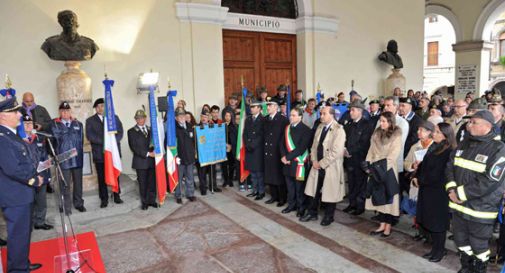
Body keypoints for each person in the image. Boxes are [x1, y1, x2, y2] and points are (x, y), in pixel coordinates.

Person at [446, 110, 505, 273]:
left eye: (473, 122)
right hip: (458, 207)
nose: (468, 124)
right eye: (469, 121)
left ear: (487, 126)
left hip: (481, 209)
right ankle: (466, 266)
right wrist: (451, 189)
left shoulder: (498, 149)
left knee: (479, 245)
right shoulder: (464, 143)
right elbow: (450, 167)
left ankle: (479, 269)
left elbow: (490, 181)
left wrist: (460, 194)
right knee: (460, 240)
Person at [0, 97, 43, 272]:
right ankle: (17, 269)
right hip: (14, 195)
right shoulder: (2, 138)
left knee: (23, 234)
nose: (20, 114)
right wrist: (33, 180)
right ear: (2, 116)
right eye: (15, 112)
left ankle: (21, 264)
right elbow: (12, 168)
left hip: (21, 193)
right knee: (18, 235)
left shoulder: (11, 135)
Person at [413, 122, 456, 263]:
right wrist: (417, 175)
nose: (433, 134)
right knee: (431, 221)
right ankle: (435, 249)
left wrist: (422, 180)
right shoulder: (434, 146)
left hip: (438, 191)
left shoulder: (449, 151)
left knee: (438, 223)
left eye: (437, 132)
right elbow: (425, 164)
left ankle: (440, 250)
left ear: (445, 135)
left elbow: (438, 173)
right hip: (428, 189)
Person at [301, 106, 346, 226]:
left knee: (330, 192)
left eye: (324, 114)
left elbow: (336, 152)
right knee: (314, 190)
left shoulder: (339, 129)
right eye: (321, 113)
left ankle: (329, 216)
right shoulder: (320, 127)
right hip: (317, 164)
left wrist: (321, 164)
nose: (321, 116)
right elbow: (314, 146)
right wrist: (314, 160)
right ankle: (312, 213)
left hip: (330, 166)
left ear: (331, 115)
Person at [366, 111, 402, 237]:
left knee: (388, 199)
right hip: (375, 168)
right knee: (378, 197)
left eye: (384, 121)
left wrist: (380, 168)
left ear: (390, 122)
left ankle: (388, 225)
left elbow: (393, 155)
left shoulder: (396, 135)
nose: (381, 123)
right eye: (380, 121)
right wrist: (368, 165)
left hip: (387, 170)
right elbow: (371, 150)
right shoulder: (376, 133)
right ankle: (381, 224)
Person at [85, 98, 124, 208]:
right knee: (102, 178)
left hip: (113, 153)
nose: (100, 108)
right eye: (97, 107)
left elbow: (120, 132)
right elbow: (90, 136)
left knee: (115, 175)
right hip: (100, 154)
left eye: (102, 106)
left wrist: (112, 142)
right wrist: (106, 142)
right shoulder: (90, 121)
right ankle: (104, 199)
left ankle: (116, 195)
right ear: (95, 109)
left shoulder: (114, 118)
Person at [50, 101, 85, 214]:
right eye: (63, 111)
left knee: (78, 183)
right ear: (60, 112)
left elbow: (81, 141)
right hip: (63, 159)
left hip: (77, 159)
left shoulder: (78, 124)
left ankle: (79, 204)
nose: (65, 113)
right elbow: (52, 142)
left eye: (67, 111)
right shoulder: (54, 124)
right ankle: (66, 207)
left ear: (70, 111)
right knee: (65, 184)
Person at [22, 114, 53, 230]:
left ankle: (40, 222)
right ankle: (28, 223)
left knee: (41, 201)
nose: (28, 125)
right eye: (25, 124)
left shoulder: (39, 138)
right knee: (29, 202)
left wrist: (47, 172)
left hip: (41, 174)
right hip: (27, 177)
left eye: (30, 123)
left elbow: (44, 156)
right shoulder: (18, 140)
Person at [343, 100, 374, 215]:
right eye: (350, 110)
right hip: (349, 158)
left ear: (360, 111)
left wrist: (349, 151)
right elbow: (344, 139)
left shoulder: (367, 125)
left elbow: (364, 143)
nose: (350, 112)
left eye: (353, 110)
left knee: (360, 184)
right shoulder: (348, 124)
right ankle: (352, 204)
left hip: (360, 159)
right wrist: (345, 150)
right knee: (351, 182)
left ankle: (359, 207)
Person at [280, 107, 311, 216]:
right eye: (290, 115)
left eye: (293, 115)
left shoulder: (306, 130)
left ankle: (301, 207)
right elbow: (282, 144)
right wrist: (284, 157)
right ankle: (291, 205)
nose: (291, 117)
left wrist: (287, 158)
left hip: (299, 164)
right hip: (287, 164)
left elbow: (301, 148)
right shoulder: (287, 128)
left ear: (300, 117)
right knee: (290, 187)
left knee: (299, 188)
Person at [127, 110, 158, 210]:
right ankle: (144, 202)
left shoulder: (151, 130)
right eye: (138, 118)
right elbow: (134, 147)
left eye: (142, 117)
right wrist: (149, 153)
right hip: (140, 162)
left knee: (152, 183)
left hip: (151, 161)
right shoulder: (131, 131)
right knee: (143, 183)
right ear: (136, 119)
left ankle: (152, 200)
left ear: (145, 118)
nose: (141, 120)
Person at [263, 98, 290, 206]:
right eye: (267, 105)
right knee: (270, 176)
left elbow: (285, 137)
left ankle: (282, 198)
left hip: (277, 152)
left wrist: (283, 153)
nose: (268, 107)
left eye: (270, 105)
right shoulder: (265, 119)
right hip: (267, 151)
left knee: (278, 177)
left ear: (276, 107)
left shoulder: (283, 120)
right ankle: (274, 196)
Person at [195, 110, 221, 194]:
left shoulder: (212, 126)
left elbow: (216, 138)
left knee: (212, 171)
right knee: (201, 172)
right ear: (200, 117)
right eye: (202, 117)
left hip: (210, 153)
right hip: (201, 153)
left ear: (208, 118)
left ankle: (213, 186)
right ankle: (203, 188)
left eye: (206, 117)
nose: (204, 118)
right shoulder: (196, 127)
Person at [174, 108, 197, 204]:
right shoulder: (174, 129)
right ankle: (178, 195)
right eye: (180, 116)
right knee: (178, 179)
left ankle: (190, 194)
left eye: (183, 115)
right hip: (179, 158)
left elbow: (194, 141)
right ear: (176, 118)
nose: (182, 117)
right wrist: (175, 156)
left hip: (189, 157)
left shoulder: (190, 126)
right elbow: (170, 144)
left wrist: (194, 152)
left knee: (190, 177)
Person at [244, 100, 266, 200]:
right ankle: (255, 190)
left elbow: (261, 135)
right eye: (251, 107)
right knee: (252, 172)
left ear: (259, 109)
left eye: (254, 107)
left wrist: (252, 145)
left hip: (258, 149)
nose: (251, 109)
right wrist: (247, 144)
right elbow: (245, 134)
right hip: (249, 148)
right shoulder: (248, 119)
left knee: (259, 173)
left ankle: (261, 192)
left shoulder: (263, 120)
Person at [222, 110, 237, 188]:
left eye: (229, 116)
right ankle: (226, 180)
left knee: (231, 165)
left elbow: (235, 139)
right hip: (223, 148)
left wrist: (231, 146)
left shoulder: (234, 126)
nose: (227, 117)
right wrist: (225, 144)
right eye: (226, 116)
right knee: (224, 165)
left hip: (231, 149)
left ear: (231, 117)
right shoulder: (221, 126)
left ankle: (230, 180)